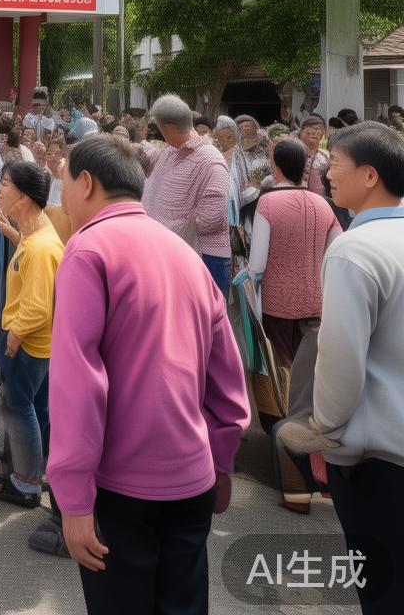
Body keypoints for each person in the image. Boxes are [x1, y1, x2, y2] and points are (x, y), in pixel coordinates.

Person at [49, 135, 250, 612]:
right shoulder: (184, 254)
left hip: (122, 488)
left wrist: (73, 500)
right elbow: (227, 377)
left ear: (86, 183)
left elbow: (78, 383)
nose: (64, 199)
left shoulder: (88, 250)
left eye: (65, 184)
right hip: (193, 478)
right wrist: (219, 463)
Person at [278, 122, 404, 614]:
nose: (327, 173)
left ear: (370, 175)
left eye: (336, 164)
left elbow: (341, 360)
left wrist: (323, 428)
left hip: (378, 460)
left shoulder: (355, 250)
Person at [0, 161, 62, 508]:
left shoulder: (40, 246)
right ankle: (24, 472)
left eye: (5, 184)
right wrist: (14, 236)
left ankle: (26, 483)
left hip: (27, 343)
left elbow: (37, 307)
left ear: (25, 197)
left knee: (15, 406)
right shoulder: (34, 236)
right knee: (32, 408)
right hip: (37, 344)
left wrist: (13, 337)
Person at [247, 138, 340, 370]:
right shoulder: (323, 204)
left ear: (276, 168)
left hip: (276, 303)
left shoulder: (267, 203)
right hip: (316, 302)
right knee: (309, 370)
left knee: (282, 369)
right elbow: (337, 248)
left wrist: (253, 306)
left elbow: (256, 266)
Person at [141, 94, 233, 294]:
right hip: (174, 256)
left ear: (168, 127)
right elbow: (152, 159)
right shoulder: (171, 152)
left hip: (205, 259)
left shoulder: (211, 160)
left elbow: (212, 219)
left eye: (159, 127)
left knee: (204, 314)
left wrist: (174, 224)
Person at [298, 114, 330, 195]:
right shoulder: (293, 152)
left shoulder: (326, 156)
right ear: (301, 132)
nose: (315, 134)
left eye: (318, 131)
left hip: (320, 198)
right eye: (311, 130)